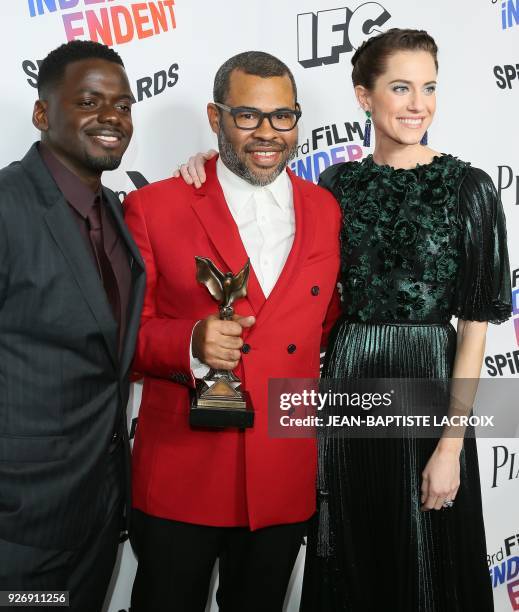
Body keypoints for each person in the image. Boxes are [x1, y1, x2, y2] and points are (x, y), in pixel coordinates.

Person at [178, 29, 512, 612]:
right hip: (347, 395)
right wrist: (211, 165)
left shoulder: (471, 189)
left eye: (429, 87)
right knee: (352, 554)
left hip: (429, 393)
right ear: (364, 96)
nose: (418, 104)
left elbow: (477, 326)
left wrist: (450, 446)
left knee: (427, 562)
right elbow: (263, 200)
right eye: (401, 87)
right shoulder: (335, 188)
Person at [123, 51, 341, 612]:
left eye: (282, 117)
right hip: (182, 474)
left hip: (281, 472)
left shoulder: (326, 209)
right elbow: (122, 337)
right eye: (246, 116)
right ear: (215, 118)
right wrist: (190, 341)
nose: (266, 133)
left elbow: (331, 326)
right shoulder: (153, 207)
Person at [0, 41, 145, 611]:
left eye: (124, 105)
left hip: (100, 509)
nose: (112, 117)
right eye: (89, 101)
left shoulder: (114, 211)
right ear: (43, 114)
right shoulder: (8, 207)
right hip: (20, 520)